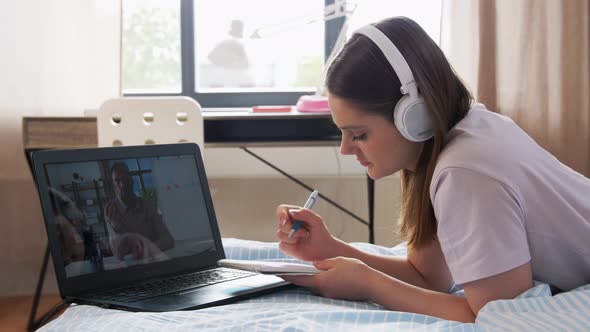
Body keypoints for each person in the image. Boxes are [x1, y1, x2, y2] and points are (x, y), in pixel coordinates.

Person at [275, 17, 590, 323]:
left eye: (359, 135)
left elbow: (496, 316)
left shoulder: (465, 172)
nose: (345, 149)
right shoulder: (459, 138)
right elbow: (428, 278)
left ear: (414, 116)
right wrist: (331, 249)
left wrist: (370, 284)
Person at [104, 162, 174, 261]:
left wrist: (146, 249)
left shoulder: (147, 205)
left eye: (125, 179)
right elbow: (117, 253)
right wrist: (117, 228)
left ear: (131, 180)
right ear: (113, 185)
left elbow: (168, 240)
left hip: (154, 261)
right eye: (117, 181)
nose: (123, 184)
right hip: (132, 268)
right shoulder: (110, 209)